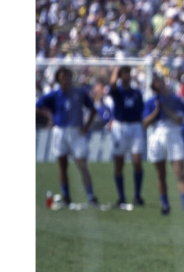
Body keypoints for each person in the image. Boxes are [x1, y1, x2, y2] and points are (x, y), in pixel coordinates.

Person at [35, 67, 99, 205]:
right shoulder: (54, 95)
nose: (65, 79)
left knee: (82, 164)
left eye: (67, 76)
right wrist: (49, 116)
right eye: (62, 76)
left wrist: (86, 127)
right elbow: (37, 106)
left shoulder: (79, 93)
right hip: (60, 131)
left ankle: (90, 196)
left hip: (76, 131)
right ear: (58, 79)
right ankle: (66, 197)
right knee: (62, 166)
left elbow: (93, 109)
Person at [142, 74, 184, 215]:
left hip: (173, 133)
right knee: (160, 173)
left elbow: (179, 120)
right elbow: (145, 123)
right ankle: (165, 205)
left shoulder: (175, 100)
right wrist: (156, 112)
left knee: (179, 172)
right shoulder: (150, 102)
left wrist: (165, 108)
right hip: (157, 134)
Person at [106, 65, 145, 207]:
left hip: (135, 126)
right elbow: (112, 85)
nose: (126, 75)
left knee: (137, 161)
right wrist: (116, 71)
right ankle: (121, 197)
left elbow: (141, 110)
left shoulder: (136, 93)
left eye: (128, 73)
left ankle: (137, 196)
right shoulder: (117, 92)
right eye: (124, 73)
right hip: (120, 127)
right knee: (119, 163)